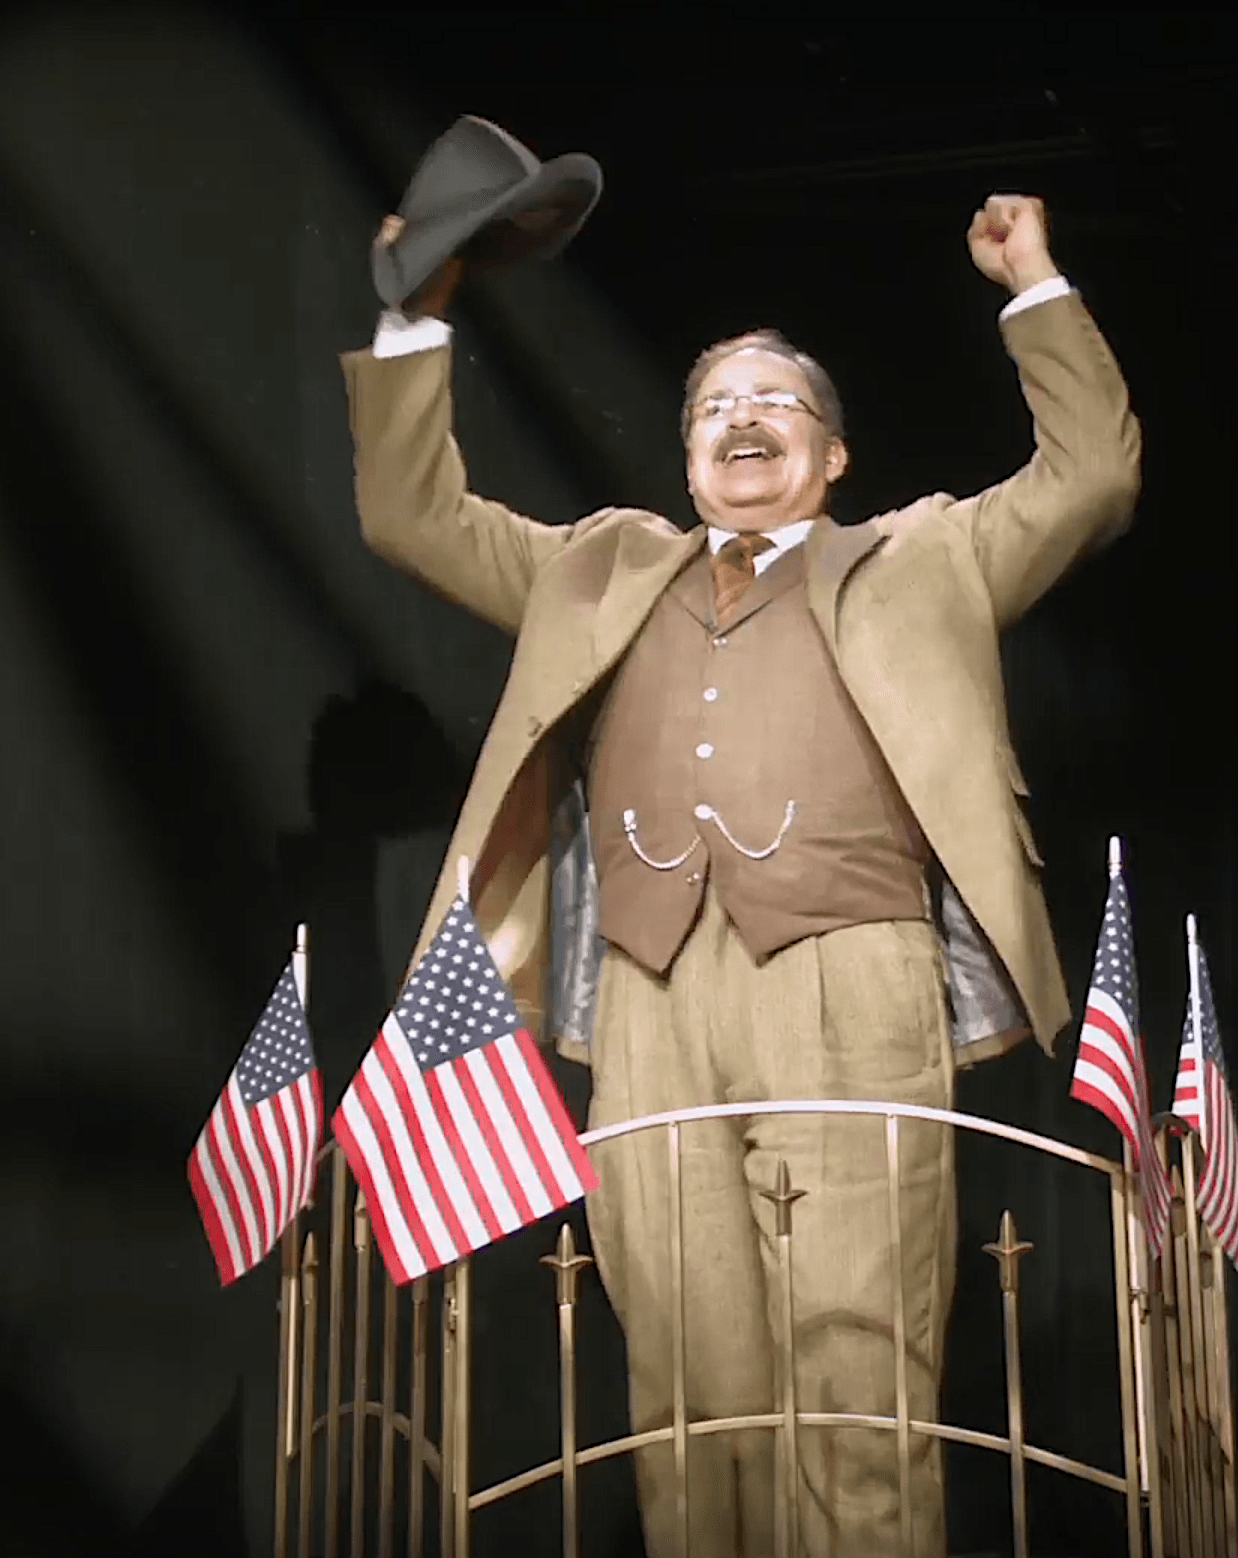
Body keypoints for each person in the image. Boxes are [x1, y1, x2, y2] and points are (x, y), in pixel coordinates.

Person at [341, 193, 1140, 1558]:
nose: (741, 416)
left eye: (774, 398)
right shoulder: (600, 567)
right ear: (688, 453)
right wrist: (413, 313)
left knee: (854, 1363)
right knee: (686, 1381)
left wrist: (1032, 283)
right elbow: (412, 514)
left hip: (853, 976)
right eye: (714, 403)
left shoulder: (924, 557)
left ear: (831, 456)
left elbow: (1091, 476)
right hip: (647, 995)